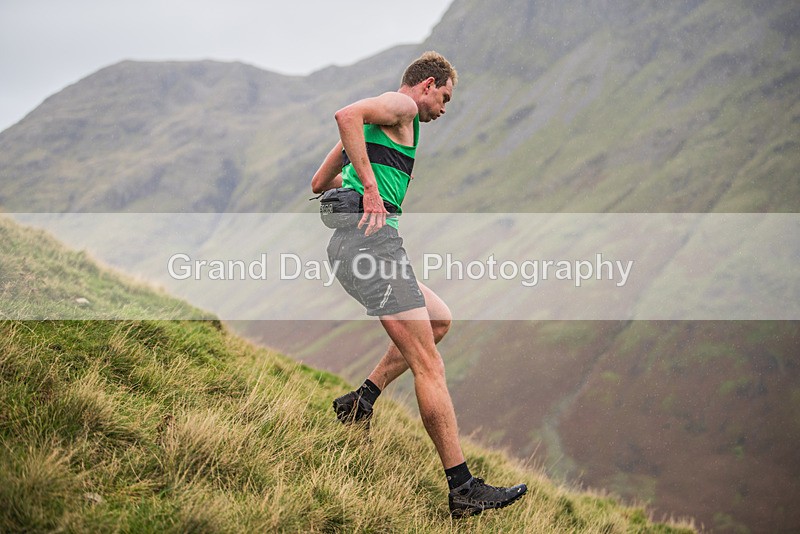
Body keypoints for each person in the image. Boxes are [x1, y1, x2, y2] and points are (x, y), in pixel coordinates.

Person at [311, 51, 526, 518]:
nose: (444, 108)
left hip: (357, 249)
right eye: (445, 97)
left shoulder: (383, 124)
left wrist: (359, 174)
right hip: (372, 248)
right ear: (428, 84)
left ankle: (360, 402)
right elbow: (345, 115)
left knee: (439, 320)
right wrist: (370, 190)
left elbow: (318, 181)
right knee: (430, 366)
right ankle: (462, 488)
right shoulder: (403, 106)